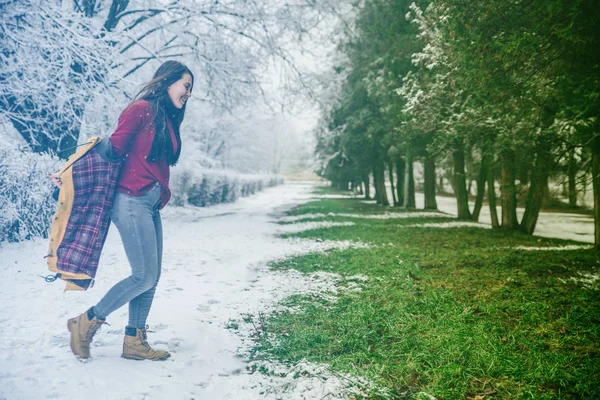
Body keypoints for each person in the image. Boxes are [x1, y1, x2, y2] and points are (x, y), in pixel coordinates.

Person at [67, 60, 194, 361]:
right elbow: (111, 149)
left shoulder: (166, 118)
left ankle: (134, 341)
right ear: (168, 80)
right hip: (130, 200)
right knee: (143, 275)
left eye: (191, 88)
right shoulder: (141, 110)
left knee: (152, 275)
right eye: (186, 85)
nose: (189, 93)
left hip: (150, 204)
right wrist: (71, 169)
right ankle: (85, 322)